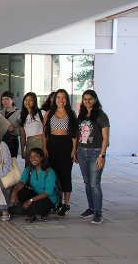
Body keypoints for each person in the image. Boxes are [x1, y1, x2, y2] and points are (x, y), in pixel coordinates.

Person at [42, 89, 78, 217]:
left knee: (65, 175)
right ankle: (56, 202)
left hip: (66, 145)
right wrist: (45, 148)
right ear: (55, 99)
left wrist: (74, 149)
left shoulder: (71, 113)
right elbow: (45, 133)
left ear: (67, 100)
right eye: (58, 97)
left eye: (63, 98)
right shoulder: (49, 113)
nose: (61, 100)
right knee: (53, 175)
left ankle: (66, 204)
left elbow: (75, 133)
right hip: (52, 144)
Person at [76, 90, 110, 224]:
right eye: (85, 99)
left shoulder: (101, 115)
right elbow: (78, 134)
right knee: (87, 182)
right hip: (82, 151)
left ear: (95, 100)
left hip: (95, 152)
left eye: (90, 99)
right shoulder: (82, 115)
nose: (87, 101)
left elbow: (106, 137)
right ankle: (91, 208)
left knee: (95, 183)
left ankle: (98, 212)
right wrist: (76, 151)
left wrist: (102, 155)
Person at [11, 148, 58, 223]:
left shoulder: (50, 172)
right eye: (31, 156)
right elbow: (22, 182)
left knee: (33, 207)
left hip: (48, 198)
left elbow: (48, 192)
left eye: (36, 156)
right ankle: (31, 214)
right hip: (35, 195)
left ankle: (45, 212)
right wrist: (14, 192)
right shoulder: (29, 169)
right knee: (20, 190)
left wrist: (30, 200)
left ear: (42, 158)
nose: (33, 159)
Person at [19, 92, 46, 167]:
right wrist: (22, 149)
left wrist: (45, 147)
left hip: (40, 141)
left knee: (41, 166)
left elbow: (46, 130)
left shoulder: (42, 113)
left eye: (30, 100)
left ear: (34, 101)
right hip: (29, 142)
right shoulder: (22, 116)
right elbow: (22, 134)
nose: (27, 102)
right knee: (29, 166)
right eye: (26, 100)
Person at [1, 91, 21, 158]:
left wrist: (14, 129)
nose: (4, 101)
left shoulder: (19, 113)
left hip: (13, 140)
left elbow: (23, 131)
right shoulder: (1, 113)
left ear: (12, 100)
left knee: (12, 163)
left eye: (7, 99)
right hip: (2, 140)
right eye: (3, 99)